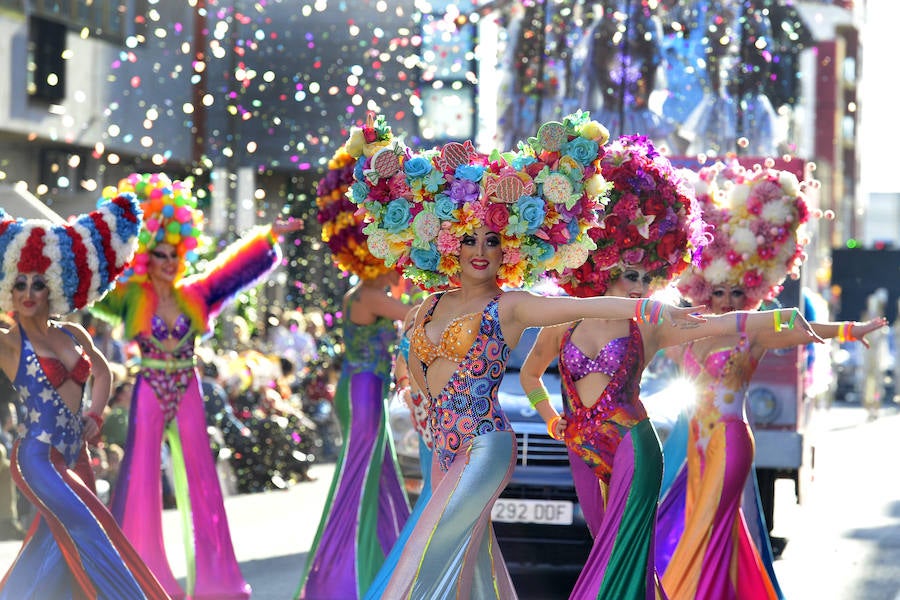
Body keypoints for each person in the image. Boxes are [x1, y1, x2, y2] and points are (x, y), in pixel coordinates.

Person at [344, 112, 705, 599]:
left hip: (486, 446)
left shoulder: (510, 305)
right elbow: (414, 376)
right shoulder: (427, 307)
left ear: (508, 248)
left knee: (427, 551)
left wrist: (646, 307)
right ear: (446, 243)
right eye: (469, 238)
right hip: (444, 449)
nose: (480, 250)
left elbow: (584, 306)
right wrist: (415, 396)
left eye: (492, 240)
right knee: (472, 566)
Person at [517, 136, 815, 599]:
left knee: (622, 553)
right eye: (630, 275)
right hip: (581, 449)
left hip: (633, 447)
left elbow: (722, 323)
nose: (640, 286)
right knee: (606, 551)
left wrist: (782, 319)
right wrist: (551, 419)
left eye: (646, 277)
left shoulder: (651, 324)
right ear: (603, 267)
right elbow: (529, 375)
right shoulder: (562, 321)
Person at [655, 159, 886, 600]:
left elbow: (798, 326)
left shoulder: (752, 331)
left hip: (729, 441)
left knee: (713, 526)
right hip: (694, 444)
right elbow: (639, 331)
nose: (726, 300)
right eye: (718, 291)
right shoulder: (686, 331)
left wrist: (850, 331)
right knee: (700, 526)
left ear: (750, 293)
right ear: (702, 289)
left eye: (736, 293)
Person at [91, 172, 302, 600]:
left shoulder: (196, 293)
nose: (169, 261)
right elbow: (93, 283)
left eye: (175, 254)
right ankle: (139, 579)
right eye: (160, 254)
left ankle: (216, 581)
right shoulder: (130, 297)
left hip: (187, 387)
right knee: (141, 477)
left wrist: (267, 237)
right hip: (150, 387)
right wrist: (96, 239)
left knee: (202, 479)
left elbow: (231, 272)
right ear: (144, 255)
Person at [0, 197, 169, 598]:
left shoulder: (73, 333)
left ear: (54, 286)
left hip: (75, 455)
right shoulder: (8, 344)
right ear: (7, 288)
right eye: (20, 283)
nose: (29, 291)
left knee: (53, 544)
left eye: (38, 282)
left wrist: (95, 413)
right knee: (90, 529)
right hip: (37, 457)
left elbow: (103, 372)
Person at [296, 142, 412, 599]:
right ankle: (340, 578)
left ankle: (380, 565)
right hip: (362, 392)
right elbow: (417, 313)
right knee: (359, 476)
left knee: (377, 474)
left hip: (365, 390)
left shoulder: (366, 292)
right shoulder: (368, 295)